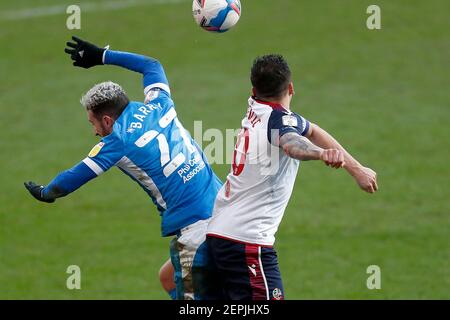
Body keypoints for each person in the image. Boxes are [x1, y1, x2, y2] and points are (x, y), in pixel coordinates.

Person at [24, 37, 222, 300]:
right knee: (167, 278)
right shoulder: (159, 103)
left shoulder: (117, 142)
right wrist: (102, 56)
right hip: (226, 209)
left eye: (93, 123)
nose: (94, 131)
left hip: (196, 230)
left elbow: (70, 179)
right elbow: (152, 65)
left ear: (106, 120)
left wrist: (46, 193)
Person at [206, 54, 378, 300]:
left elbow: (312, 130)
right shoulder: (279, 120)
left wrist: (356, 169)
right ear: (291, 88)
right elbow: (292, 144)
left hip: (222, 234)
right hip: (246, 242)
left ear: (254, 89)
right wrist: (321, 154)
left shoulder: (257, 107)